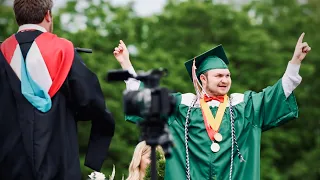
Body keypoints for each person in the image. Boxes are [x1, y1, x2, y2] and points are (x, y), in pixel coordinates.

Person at [113, 33, 311, 180]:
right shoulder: (182, 108)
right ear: (202, 78)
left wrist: (294, 63)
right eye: (219, 76)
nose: (225, 80)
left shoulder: (243, 108)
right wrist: (126, 64)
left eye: (227, 76)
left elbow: (275, 94)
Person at [0, 0, 115, 179]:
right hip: (60, 163)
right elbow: (92, 102)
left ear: (17, 18)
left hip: (9, 166)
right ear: (48, 15)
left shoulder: (2, 53)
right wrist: (95, 156)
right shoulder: (63, 51)